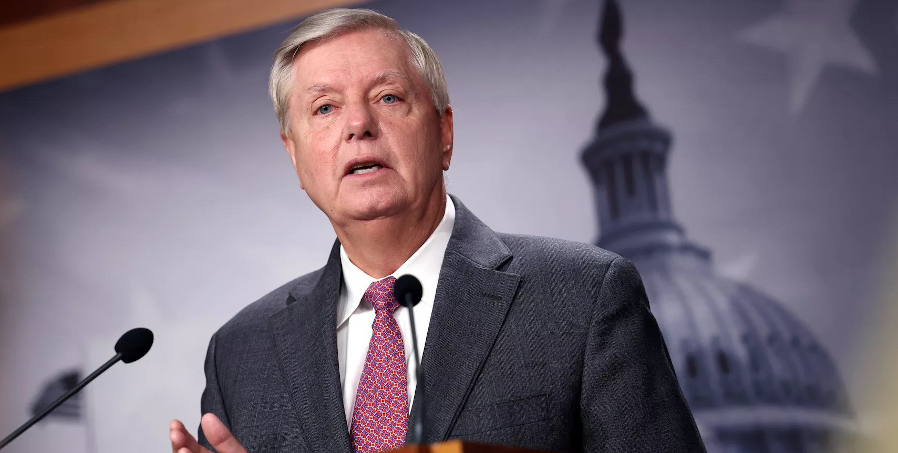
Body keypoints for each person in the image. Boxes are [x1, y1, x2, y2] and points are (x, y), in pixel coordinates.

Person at [171, 8, 705, 453]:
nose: (359, 125)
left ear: (444, 132)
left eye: (388, 98)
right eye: (325, 108)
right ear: (294, 156)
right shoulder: (241, 352)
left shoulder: (582, 297)